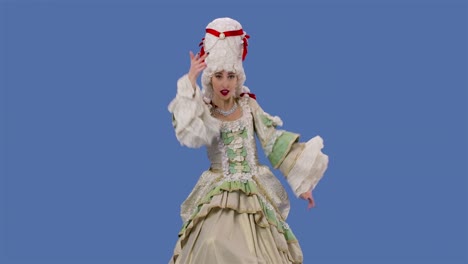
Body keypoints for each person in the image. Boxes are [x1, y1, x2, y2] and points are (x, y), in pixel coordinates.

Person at [168, 17, 329, 264]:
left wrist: (302, 182)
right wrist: (189, 80)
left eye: (230, 75)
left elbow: (273, 142)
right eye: (218, 75)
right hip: (218, 195)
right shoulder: (205, 111)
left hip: (254, 192)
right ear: (210, 77)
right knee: (212, 243)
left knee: (259, 257)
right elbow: (187, 129)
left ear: (238, 77)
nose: (224, 82)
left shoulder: (249, 105)